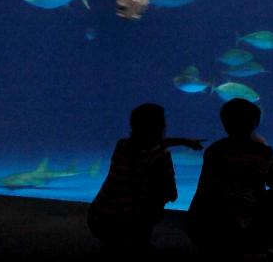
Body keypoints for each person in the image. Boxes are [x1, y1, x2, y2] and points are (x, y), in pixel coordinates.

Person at [186, 97, 273, 259]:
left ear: (224, 124)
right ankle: (257, 243)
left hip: (204, 227)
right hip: (243, 224)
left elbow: (203, 187)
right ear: (255, 123)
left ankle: (216, 245)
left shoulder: (214, 150)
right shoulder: (264, 152)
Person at [87, 103, 202, 253]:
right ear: (161, 127)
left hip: (97, 219)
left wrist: (183, 141)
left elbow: (147, 140)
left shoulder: (121, 145)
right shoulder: (160, 156)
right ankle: (138, 242)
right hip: (125, 222)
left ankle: (114, 243)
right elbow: (172, 194)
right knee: (156, 201)